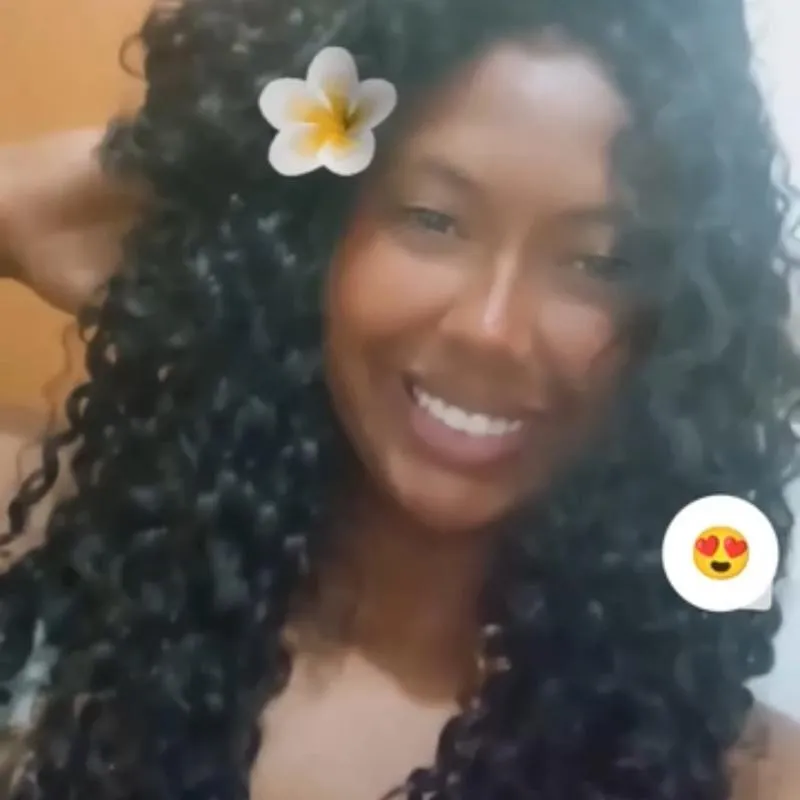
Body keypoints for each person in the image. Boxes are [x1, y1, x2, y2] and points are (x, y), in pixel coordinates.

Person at [1, 0, 800, 798]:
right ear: (310, 237)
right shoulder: (64, 580)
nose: (492, 330)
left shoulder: (735, 774)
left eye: (598, 262)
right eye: (433, 218)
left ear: (678, 322)